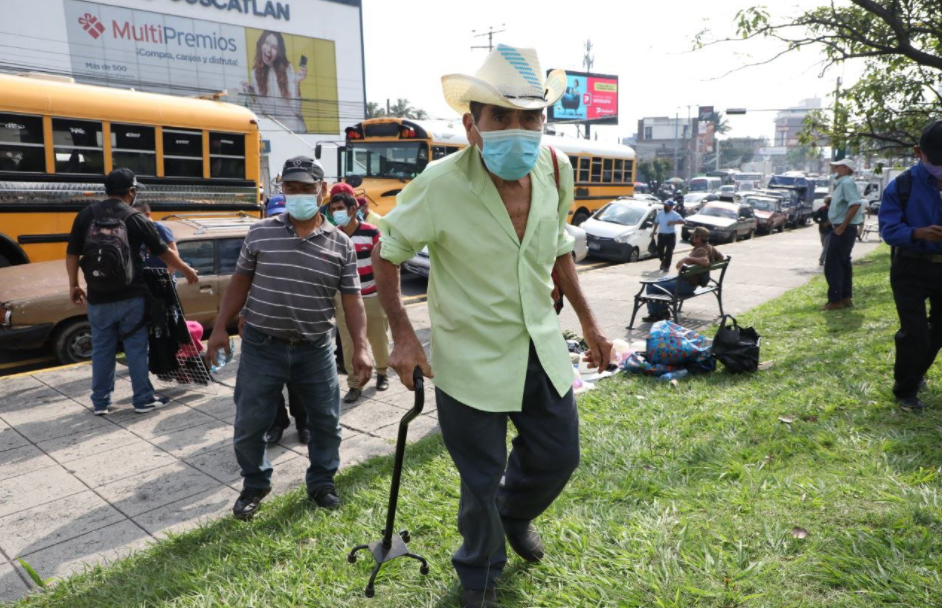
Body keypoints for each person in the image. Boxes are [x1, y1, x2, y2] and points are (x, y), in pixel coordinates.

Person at [372, 45, 613, 608]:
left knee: (559, 456)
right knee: (480, 479)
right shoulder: (440, 184)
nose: (517, 130)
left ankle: (515, 513)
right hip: (469, 356)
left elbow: (559, 247)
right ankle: (478, 576)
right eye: (500, 117)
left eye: (530, 118)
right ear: (472, 125)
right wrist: (403, 335)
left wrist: (591, 323)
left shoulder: (556, 168)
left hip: (540, 345)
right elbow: (387, 251)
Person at [206, 156, 372, 521]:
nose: (298, 194)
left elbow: (352, 300)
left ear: (322, 190)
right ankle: (255, 484)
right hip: (262, 346)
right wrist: (219, 328)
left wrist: (361, 347)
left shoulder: (340, 244)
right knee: (250, 422)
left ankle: (322, 482)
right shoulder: (260, 233)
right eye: (290, 188)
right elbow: (239, 282)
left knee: (326, 422)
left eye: (306, 188)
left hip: (315, 349)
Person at [66, 168, 199, 415]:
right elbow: (163, 252)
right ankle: (143, 399)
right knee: (136, 348)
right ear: (131, 191)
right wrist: (186, 269)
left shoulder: (85, 215)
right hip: (131, 296)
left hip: (97, 296)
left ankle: (100, 402)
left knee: (102, 349)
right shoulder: (135, 218)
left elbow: (72, 253)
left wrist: (74, 284)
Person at [878, 120, 942, 411]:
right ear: (919, 152)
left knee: (939, 329)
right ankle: (906, 390)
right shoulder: (901, 185)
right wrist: (917, 233)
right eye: (937, 160)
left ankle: (916, 372)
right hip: (910, 266)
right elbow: (888, 229)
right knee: (914, 331)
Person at [255, 195, 309, 445]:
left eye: (281, 214)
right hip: (266, 328)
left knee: (298, 383)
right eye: (273, 215)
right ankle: (277, 422)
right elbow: (246, 280)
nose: (278, 220)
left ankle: (303, 423)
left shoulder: (305, 242)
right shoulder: (258, 239)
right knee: (270, 384)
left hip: (299, 327)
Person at [327, 191, 390, 403]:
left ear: (353, 209)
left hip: (372, 295)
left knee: (378, 338)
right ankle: (355, 384)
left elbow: (384, 263)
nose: (336, 213)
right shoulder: (333, 236)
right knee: (348, 344)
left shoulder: (372, 232)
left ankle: (382, 372)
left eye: (340, 209)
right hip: (344, 299)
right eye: (333, 210)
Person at [641, 227, 723, 322]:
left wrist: (687, 258)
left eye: (692, 235)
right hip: (691, 283)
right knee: (658, 281)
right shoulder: (709, 247)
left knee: (651, 286)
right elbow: (721, 258)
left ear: (698, 238)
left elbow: (705, 261)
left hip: (685, 286)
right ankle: (662, 312)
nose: (690, 237)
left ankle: (656, 314)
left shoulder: (701, 250)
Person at [242, 31, 306, 132]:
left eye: (274, 47)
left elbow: (296, 109)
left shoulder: (288, 69)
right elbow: (259, 112)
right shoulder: (255, 73)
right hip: (273, 132)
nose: (269, 50)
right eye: (266, 43)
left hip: (294, 131)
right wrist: (251, 95)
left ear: (279, 52)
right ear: (261, 44)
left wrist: (297, 83)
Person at [823, 159, 864, 310]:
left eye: (837, 167)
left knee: (833, 265)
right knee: (843, 263)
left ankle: (835, 300)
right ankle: (845, 297)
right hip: (843, 227)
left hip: (844, 229)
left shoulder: (846, 183)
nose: (834, 169)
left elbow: (855, 204)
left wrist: (842, 226)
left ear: (845, 169)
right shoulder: (842, 183)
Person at [132, 200, 178, 269]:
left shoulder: (160, 229)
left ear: (147, 214)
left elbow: (174, 256)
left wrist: (168, 274)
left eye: (137, 217)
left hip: (161, 273)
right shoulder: (139, 230)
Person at [653, 199, 685, 273]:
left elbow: (683, 221)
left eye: (667, 206)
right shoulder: (660, 213)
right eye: (665, 205)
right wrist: (654, 231)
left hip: (670, 235)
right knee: (659, 250)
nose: (665, 206)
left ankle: (666, 266)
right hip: (661, 235)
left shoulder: (674, 214)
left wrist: (672, 222)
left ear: (671, 207)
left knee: (669, 252)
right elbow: (656, 222)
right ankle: (663, 260)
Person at [813, 196, 832, 266]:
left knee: (826, 245)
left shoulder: (834, 209)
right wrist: (821, 223)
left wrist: (830, 222)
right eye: (827, 202)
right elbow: (815, 218)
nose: (828, 204)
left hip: (831, 229)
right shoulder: (822, 209)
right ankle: (827, 256)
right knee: (824, 244)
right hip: (822, 229)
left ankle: (822, 259)